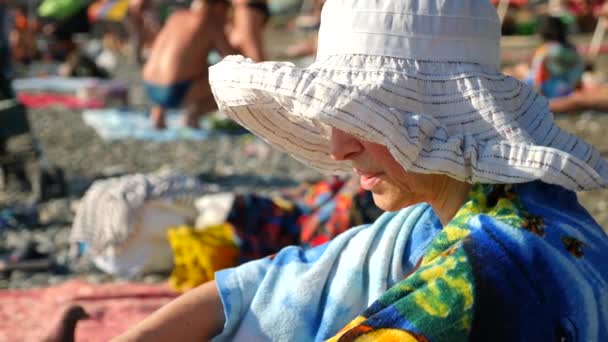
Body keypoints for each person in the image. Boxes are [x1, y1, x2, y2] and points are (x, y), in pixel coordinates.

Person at [115, 0, 608, 341]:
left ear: (436, 124)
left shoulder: (477, 276)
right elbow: (273, 285)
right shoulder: (509, 206)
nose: (337, 147)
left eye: (361, 120)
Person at [142, 0, 233, 129]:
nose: (227, 17)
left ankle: (158, 113)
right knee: (229, 79)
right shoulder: (210, 23)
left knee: (188, 64)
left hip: (149, 85)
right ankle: (194, 115)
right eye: (226, 12)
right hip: (174, 91)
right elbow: (232, 58)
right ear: (218, 7)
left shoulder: (176, 16)